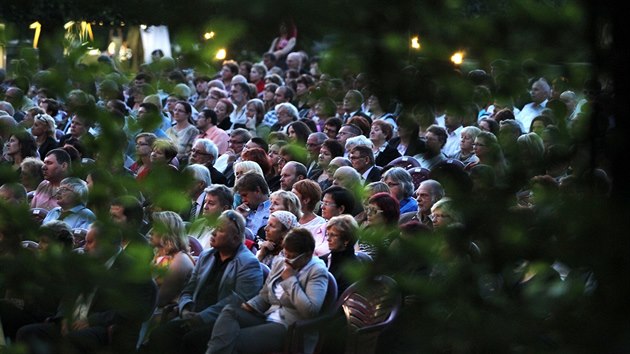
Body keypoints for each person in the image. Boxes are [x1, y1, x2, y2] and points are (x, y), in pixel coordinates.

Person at [141, 210, 263, 354]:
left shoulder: (249, 264)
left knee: (189, 340)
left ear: (236, 238)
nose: (213, 233)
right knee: (159, 335)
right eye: (214, 228)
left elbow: (238, 302)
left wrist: (202, 317)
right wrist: (185, 309)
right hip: (192, 315)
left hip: (222, 322)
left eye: (220, 230)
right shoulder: (207, 256)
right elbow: (189, 288)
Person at [206, 227, 328, 354]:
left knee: (233, 339)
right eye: (285, 254)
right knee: (230, 312)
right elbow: (265, 295)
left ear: (307, 255)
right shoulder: (281, 263)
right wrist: (250, 305)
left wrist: (290, 281)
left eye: (292, 257)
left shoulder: (317, 271)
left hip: (289, 327)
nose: (287, 260)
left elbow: (310, 311)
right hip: (268, 316)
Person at [150, 211, 195, 308]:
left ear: (168, 232)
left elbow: (160, 300)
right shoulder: (159, 254)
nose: (151, 231)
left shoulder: (180, 260)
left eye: (156, 228)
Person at [321, 214, 359, 296]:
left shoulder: (352, 268)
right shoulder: (323, 260)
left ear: (346, 239)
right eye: (328, 234)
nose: (328, 239)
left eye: (333, 235)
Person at [312, 186, 355, 257]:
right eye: (322, 203)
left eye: (327, 203)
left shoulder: (349, 236)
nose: (322, 207)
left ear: (341, 209)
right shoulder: (314, 229)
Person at [234, 172, 271, 239]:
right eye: (241, 197)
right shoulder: (243, 211)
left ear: (257, 190)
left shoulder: (274, 208)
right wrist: (239, 218)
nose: (243, 200)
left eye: (245, 195)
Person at [165, 101, 198, 166]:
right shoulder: (169, 130)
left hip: (181, 164)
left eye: (180, 111)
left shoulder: (192, 131)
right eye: (175, 110)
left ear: (188, 114)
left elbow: (189, 152)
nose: (176, 113)